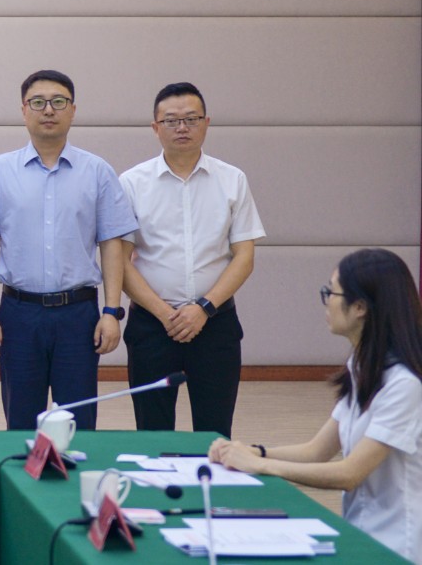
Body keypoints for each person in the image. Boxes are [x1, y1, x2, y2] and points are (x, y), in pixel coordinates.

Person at [211, 249, 422, 565]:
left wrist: (260, 466)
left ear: (360, 307)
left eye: (331, 293)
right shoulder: (362, 367)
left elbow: (349, 473)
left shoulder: (404, 385)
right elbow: (317, 451)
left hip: (397, 547)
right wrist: (254, 451)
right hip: (360, 534)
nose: (326, 302)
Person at [0, 69, 137, 430]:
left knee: (78, 421)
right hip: (18, 314)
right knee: (21, 421)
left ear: (73, 110)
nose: (48, 110)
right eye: (38, 102)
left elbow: (112, 245)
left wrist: (111, 311)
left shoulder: (97, 171)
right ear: (23, 110)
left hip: (78, 315)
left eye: (58, 102)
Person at [120, 82, 264, 436]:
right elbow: (118, 262)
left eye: (191, 119)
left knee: (215, 434)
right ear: (155, 128)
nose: (182, 127)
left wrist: (203, 308)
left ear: (206, 123)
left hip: (215, 324)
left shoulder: (232, 179)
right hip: (152, 326)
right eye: (171, 120)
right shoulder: (131, 183)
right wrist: (165, 313)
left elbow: (244, 257)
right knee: (152, 436)